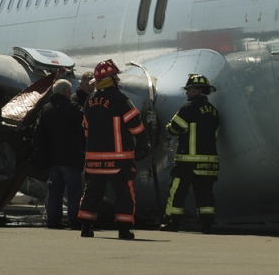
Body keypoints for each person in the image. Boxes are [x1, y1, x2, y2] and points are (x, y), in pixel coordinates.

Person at [77, 59, 151, 240]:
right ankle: (124, 230)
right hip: (119, 160)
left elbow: (85, 129)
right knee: (124, 194)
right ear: (111, 80)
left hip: (94, 161)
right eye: (116, 77)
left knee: (92, 194)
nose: (118, 80)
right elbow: (135, 124)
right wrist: (144, 143)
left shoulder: (90, 101)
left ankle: (86, 227)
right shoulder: (121, 99)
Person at [159, 74, 221, 233]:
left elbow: (174, 128)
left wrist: (167, 127)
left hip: (187, 162)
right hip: (209, 162)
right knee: (205, 194)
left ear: (198, 90)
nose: (187, 92)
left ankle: (172, 222)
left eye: (190, 89)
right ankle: (206, 224)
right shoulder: (213, 111)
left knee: (177, 191)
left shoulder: (188, 107)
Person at [31, 79, 85, 229]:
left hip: (53, 158)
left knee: (55, 192)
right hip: (71, 158)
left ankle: (53, 221)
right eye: (69, 90)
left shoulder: (46, 109)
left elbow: (39, 133)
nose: (70, 93)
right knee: (74, 192)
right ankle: (75, 221)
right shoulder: (73, 108)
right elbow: (84, 127)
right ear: (64, 91)